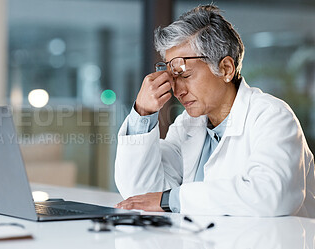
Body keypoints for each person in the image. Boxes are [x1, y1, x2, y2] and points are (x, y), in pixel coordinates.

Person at [114, 5, 315, 217]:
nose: (177, 91)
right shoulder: (187, 126)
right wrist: (143, 114)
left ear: (226, 69)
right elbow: (142, 195)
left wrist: (172, 198)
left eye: (185, 75)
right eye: (172, 78)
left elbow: (271, 196)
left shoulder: (271, 116)